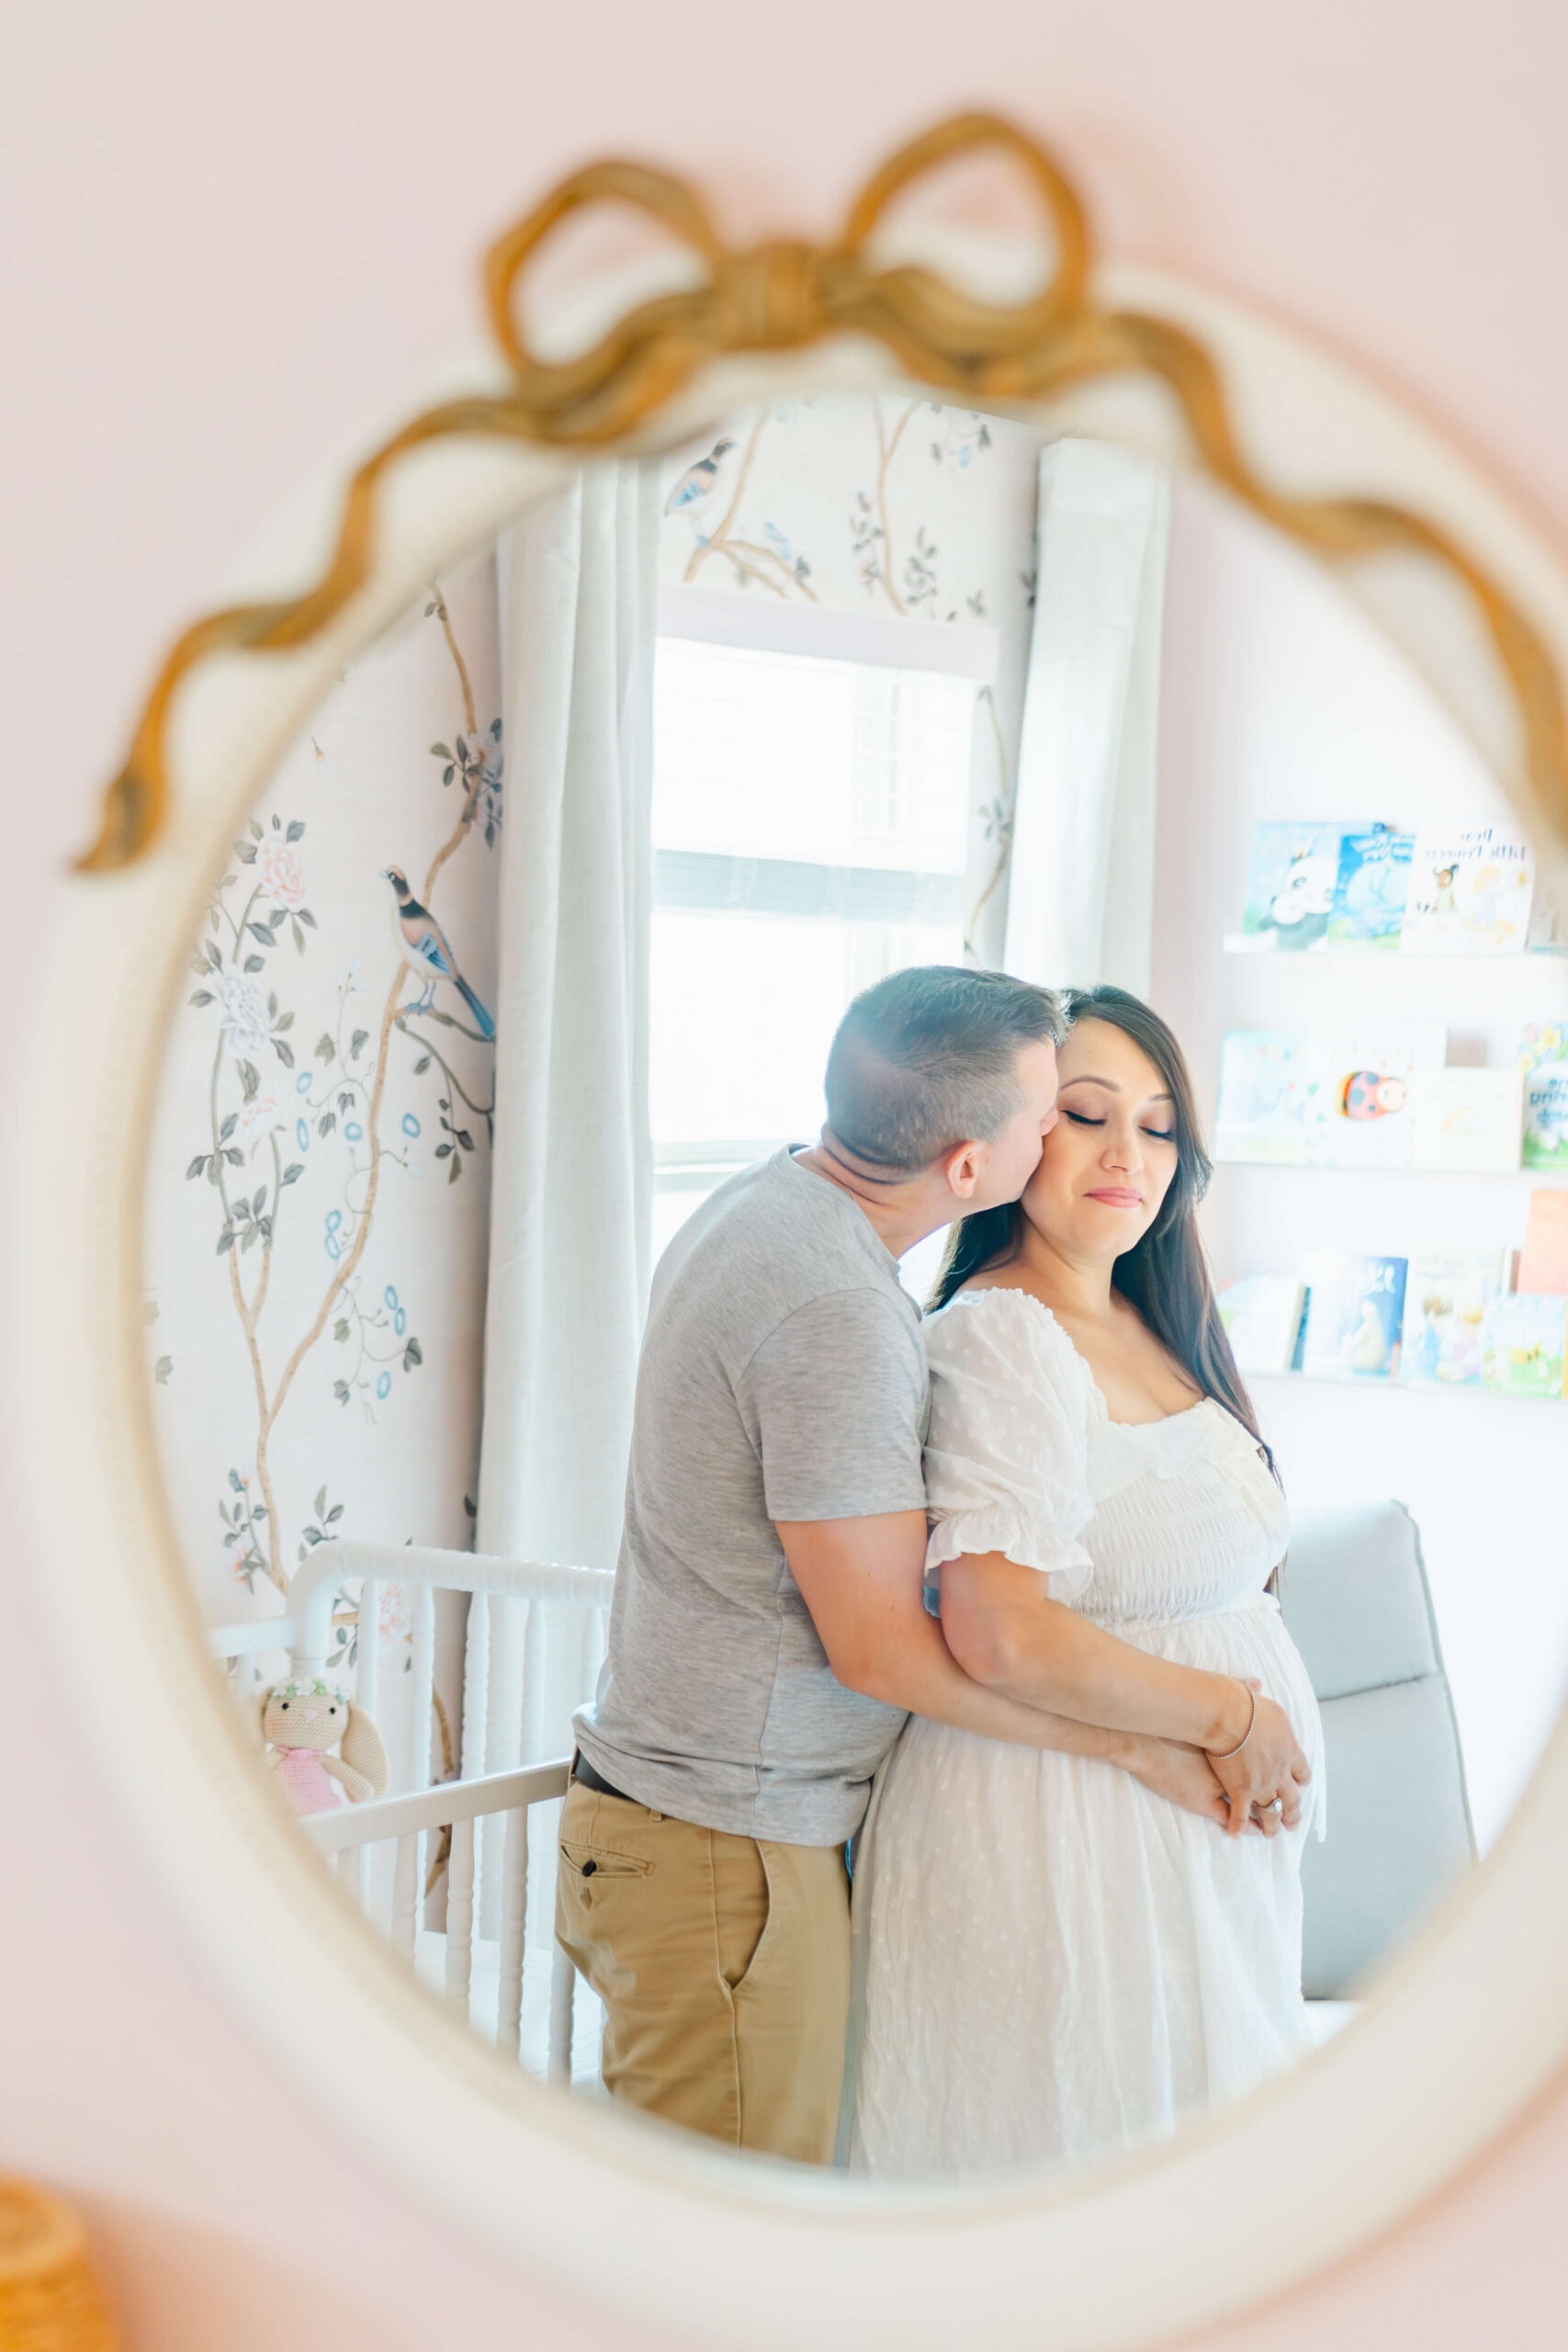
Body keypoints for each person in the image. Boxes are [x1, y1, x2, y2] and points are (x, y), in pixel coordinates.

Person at [556, 967, 1262, 2165]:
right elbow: (883, 1645)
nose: (1074, 1140)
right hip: (730, 1848)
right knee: (735, 2253)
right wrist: (1147, 1742)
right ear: (973, 1169)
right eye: (1055, 1113)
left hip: (714, 1828)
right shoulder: (840, 1312)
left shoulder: (771, 1203)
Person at [849, 984, 1321, 2178]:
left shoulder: (1152, 1324)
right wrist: (1236, 1717)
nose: (1130, 1154)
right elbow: (999, 1629)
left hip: (1183, 1859)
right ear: (1017, 1135)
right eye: (1089, 1113)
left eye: (1159, 1127)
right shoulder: (1003, 1336)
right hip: (1062, 1843)